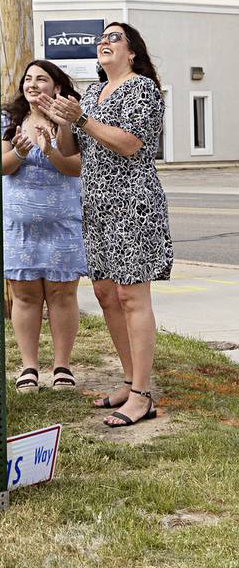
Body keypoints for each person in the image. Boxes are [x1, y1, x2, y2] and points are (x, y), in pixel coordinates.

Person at [38, 22, 172, 429]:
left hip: (133, 205)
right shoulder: (93, 93)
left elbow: (131, 144)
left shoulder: (142, 89)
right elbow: (73, 155)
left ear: (132, 52)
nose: (104, 42)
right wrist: (59, 122)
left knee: (132, 297)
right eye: (102, 38)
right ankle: (130, 380)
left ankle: (143, 395)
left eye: (114, 37)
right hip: (95, 206)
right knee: (105, 293)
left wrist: (81, 120)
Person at [1, 60, 85, 393]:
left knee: (62, 295)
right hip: (21, 229)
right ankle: (29, 367)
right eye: (29, 79)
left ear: (58, 87)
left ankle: (62, 365)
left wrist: (51, 148)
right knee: (25, 296)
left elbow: (74, 165)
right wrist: (20, 153)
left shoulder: (71, 119)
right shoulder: (10, 121)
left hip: (62, 226)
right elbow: (1, 167)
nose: (33, 84)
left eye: (42, 79)